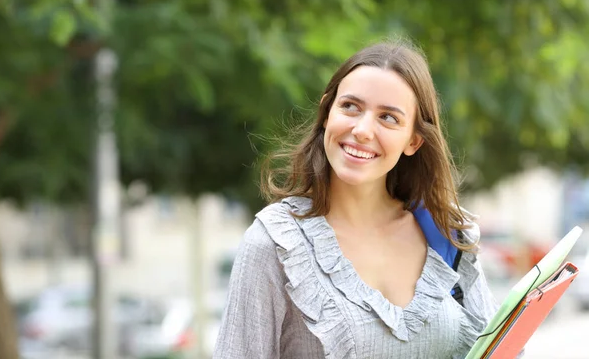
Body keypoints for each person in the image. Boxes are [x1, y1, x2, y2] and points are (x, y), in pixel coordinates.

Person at [213, 40, 501, 358]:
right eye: (350, 106)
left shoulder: (446, 234)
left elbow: (500, 348)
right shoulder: (276, 245)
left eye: (388, 118)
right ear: (326, 113)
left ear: (414, 141)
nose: (362, 129)